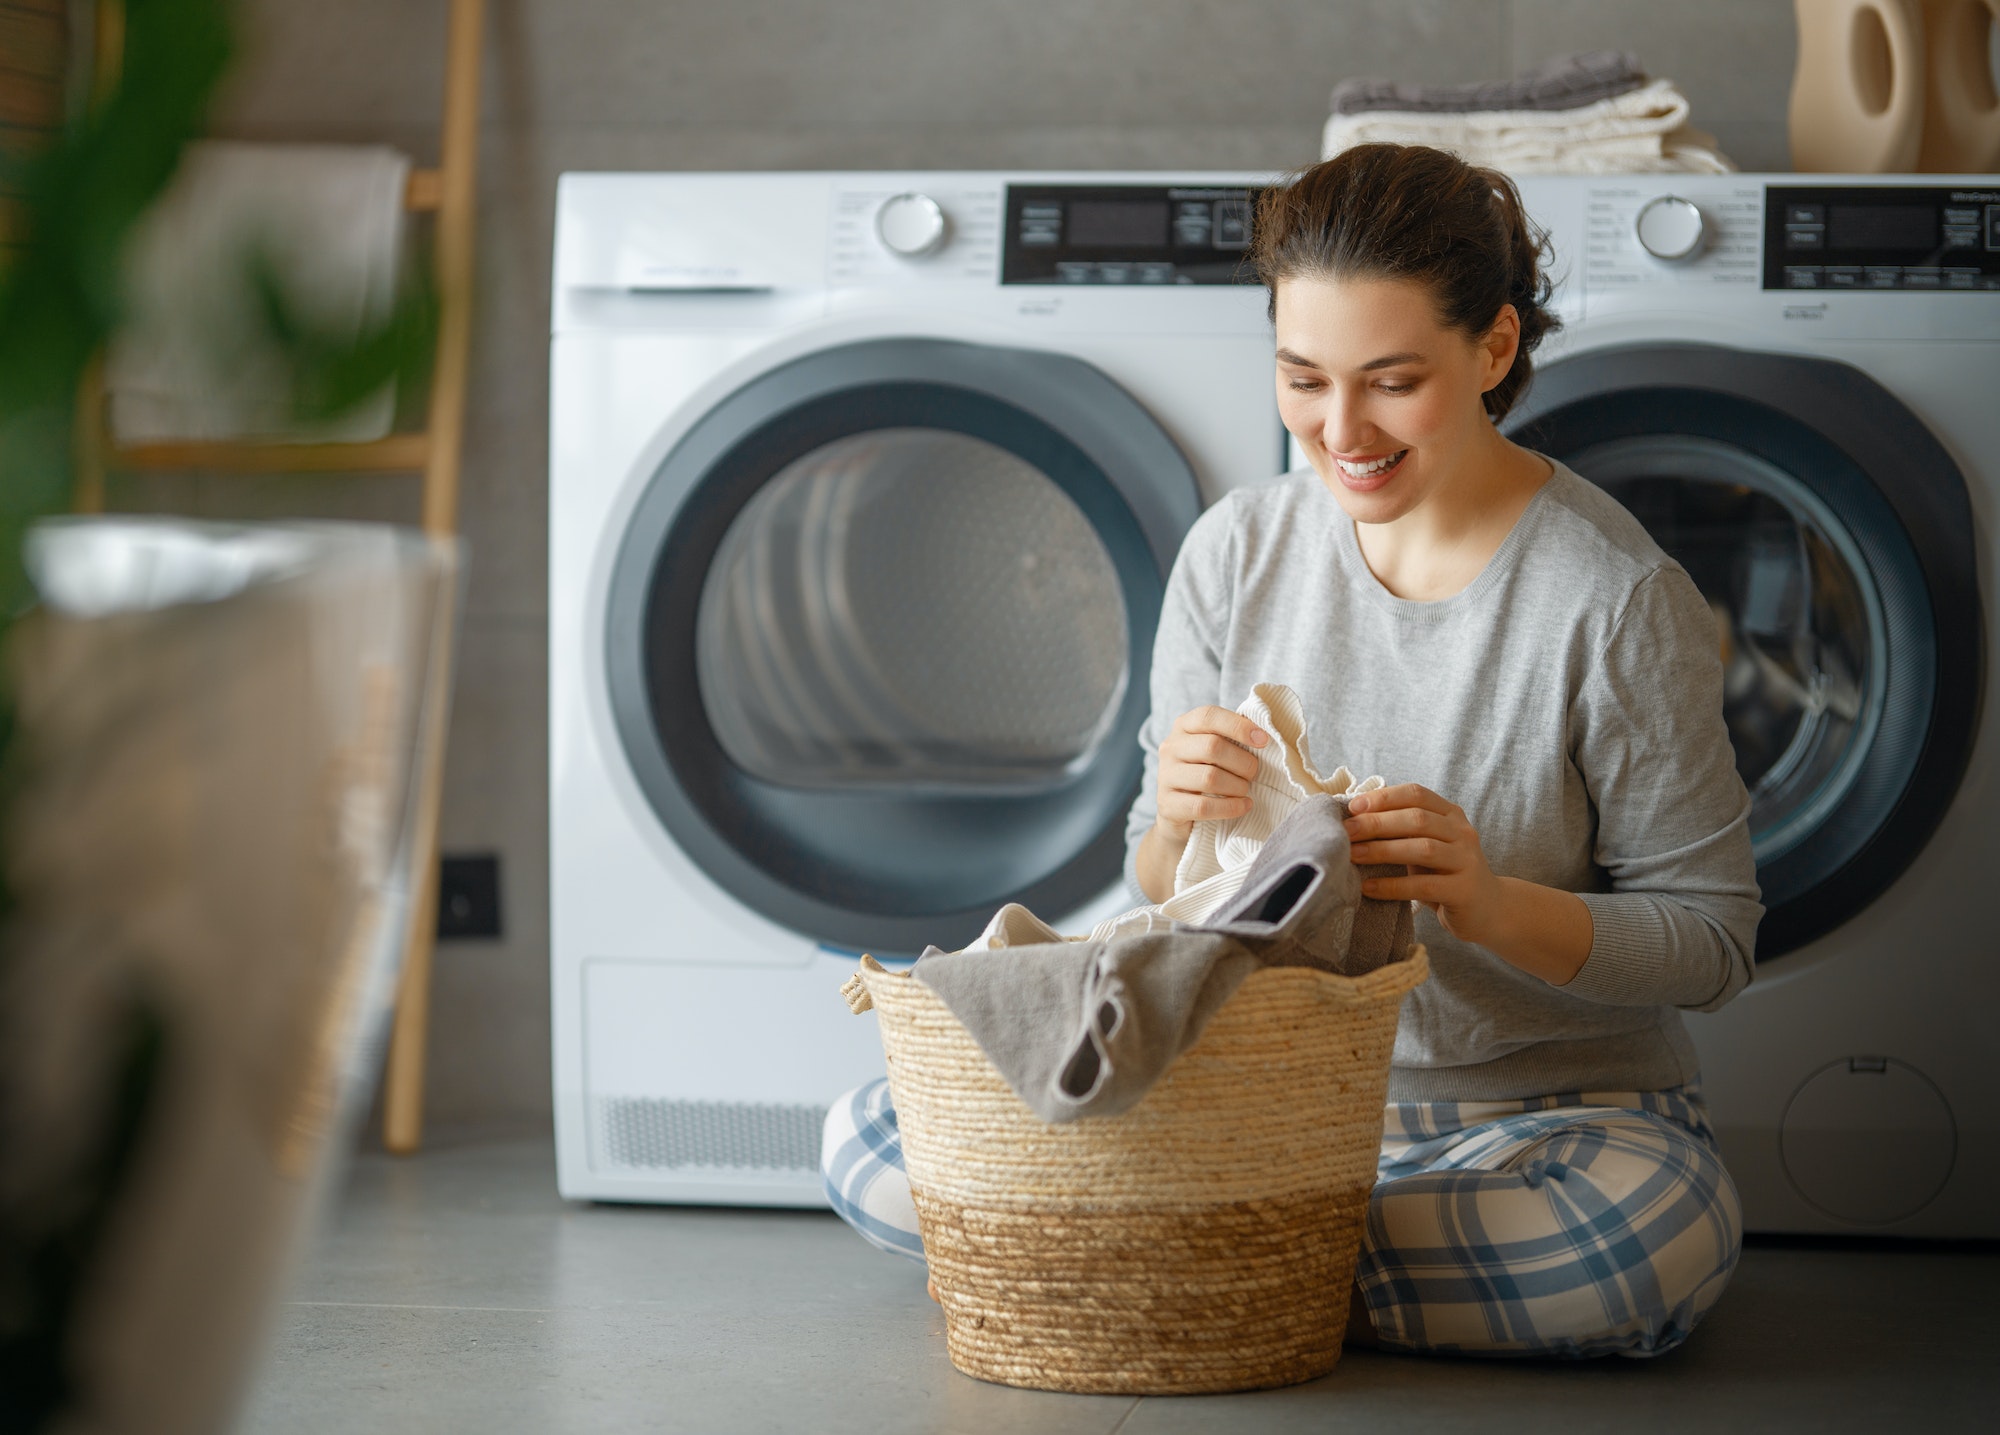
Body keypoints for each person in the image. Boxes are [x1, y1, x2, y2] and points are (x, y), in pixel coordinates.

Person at [822, 143, 1761, 1359]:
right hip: (1249, 1094)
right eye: (1301, 376)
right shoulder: (1235, 551)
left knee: (1649, 1239)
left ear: (1491, 351)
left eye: (1390, 380)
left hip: (1535, 1119)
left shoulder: (1613, 597)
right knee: (862, 1140)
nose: (1339, 429)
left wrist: (1482, 900)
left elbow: (1711, 941)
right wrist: (1170, 819)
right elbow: (1162, 885)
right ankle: (1258, 1254)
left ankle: (1156, 1256)